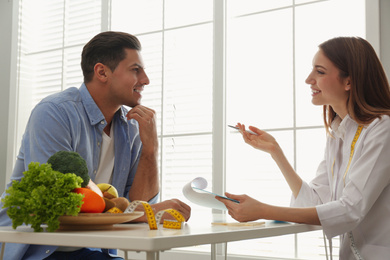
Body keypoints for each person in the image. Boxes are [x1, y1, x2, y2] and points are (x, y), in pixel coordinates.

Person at [0, 31, 191, 260]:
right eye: (135, 70)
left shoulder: (131, 127)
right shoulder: (54, 112)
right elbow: (62, 201)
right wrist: (141, 212)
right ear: (102, 72)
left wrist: (151, 150)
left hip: (90, 248)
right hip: (39, 248)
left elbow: (139, 205)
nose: (145, 80)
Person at [216, 37, 390, 259]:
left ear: (349, 81)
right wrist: (276, 153)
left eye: (320, 71)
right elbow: (315, 202)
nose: (309, 79)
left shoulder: (382, 128)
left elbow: (350, 210)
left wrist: (263, 210)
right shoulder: (338, 134)